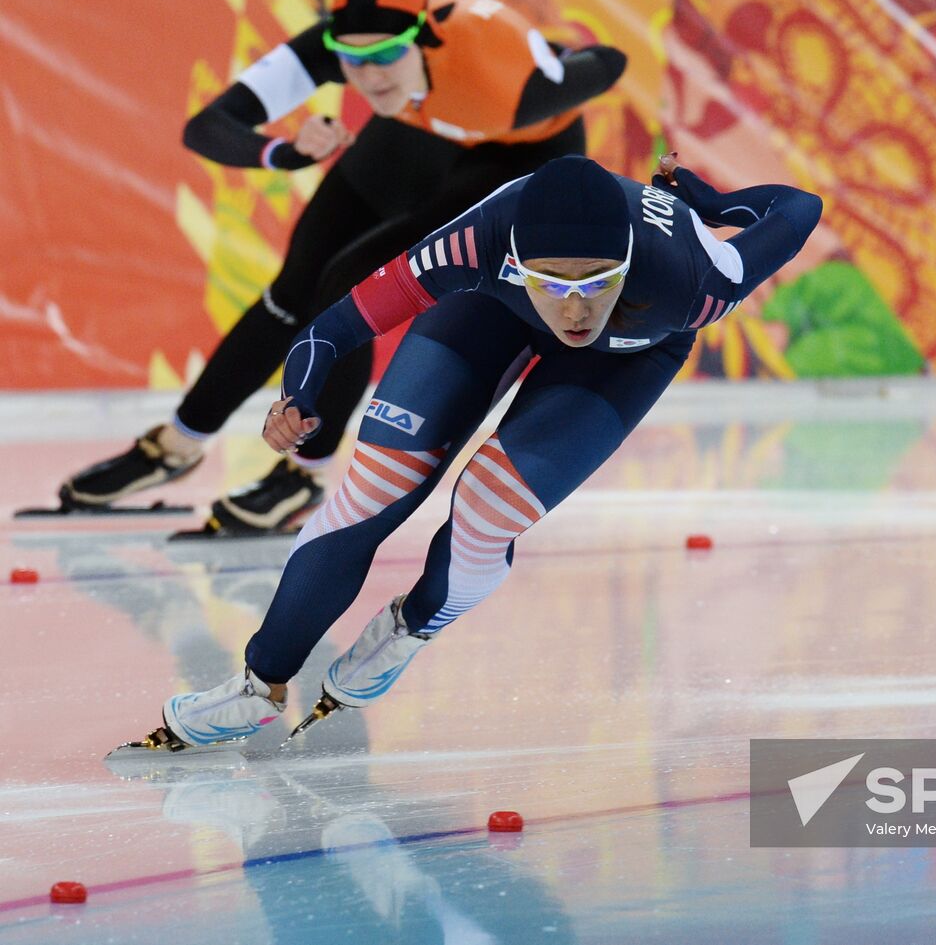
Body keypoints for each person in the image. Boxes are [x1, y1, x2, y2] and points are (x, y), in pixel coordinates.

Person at [119, 153, 821, 752]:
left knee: (487, 507)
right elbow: (330, 330)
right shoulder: (475, 241)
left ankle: (413, 623)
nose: (573, 310)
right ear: (518, 257)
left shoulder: (696, 277)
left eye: (593, 284)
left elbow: (800, 206)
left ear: (629, 262)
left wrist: (710, 200)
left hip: (632, 348)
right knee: (374, 486)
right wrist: (296, 398)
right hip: (489, 307)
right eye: (553, 282)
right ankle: (257, 683)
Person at [61, 0, 627, 535]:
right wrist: (285, 153)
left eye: (384, 55)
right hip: (418, 122)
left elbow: (609, 62)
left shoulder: (512, 85)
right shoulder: (363, 54)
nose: (368, 75)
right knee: (293, 290)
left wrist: (539, 50)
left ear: (423, 39)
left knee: (349, 287)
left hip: (512, 151)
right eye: (352, 61)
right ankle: (178, 445)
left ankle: (305, 475)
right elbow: (208, 126)